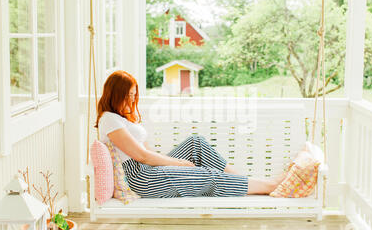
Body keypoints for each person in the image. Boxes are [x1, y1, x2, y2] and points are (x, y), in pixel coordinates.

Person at [95, 70, 285, 198]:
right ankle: (271, 187)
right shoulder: (109, 119)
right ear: (114, 94)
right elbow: (142, 156)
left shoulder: (121, 118)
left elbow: (147, 152)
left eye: (133, 95)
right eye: (127, 95)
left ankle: (245, 181)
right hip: (141, 179)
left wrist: (177, 165)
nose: (131, 100)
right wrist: (179, 164)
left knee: (196, 143)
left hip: (148, 171)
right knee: (206, 176)